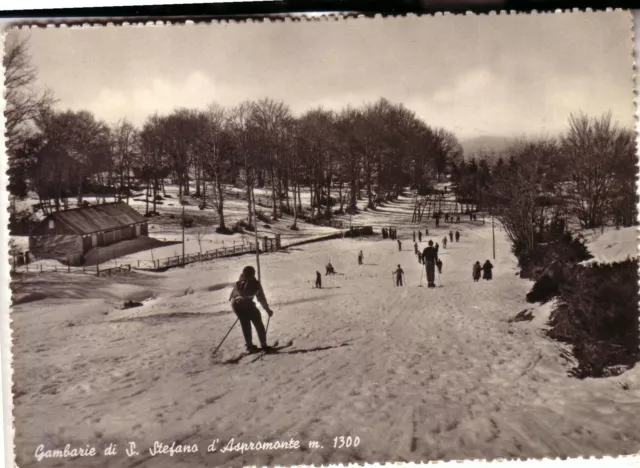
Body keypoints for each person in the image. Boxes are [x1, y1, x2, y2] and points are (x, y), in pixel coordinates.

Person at [229, 265, 274, 353]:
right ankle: (263, 345)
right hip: (247, 305)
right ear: (253, 274)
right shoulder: (254, 283)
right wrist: (267, 310)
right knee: (258, 324)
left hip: (236, 305)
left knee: (245, 325)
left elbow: (233, 295)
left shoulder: (239, 281)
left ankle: (250, 346)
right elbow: (261, 298)